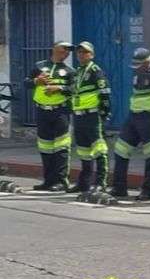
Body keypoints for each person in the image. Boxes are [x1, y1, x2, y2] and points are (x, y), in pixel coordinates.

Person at [110, 48, 150, 201]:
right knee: (121, 149)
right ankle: (119, 187)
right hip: (134, 116)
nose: (137, 67)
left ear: (148, 61)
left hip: (149, 117)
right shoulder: (138, 73)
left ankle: (149, 190)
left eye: (140, 64)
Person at [29, 41, 75, 191]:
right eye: (65, 48)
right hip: (42, 111)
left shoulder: (70, 71)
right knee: (45, 146)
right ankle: (48, 180)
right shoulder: (40, 65)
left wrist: (59, 88)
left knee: (61, 147)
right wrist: (37, 80)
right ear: (55, 48)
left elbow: (74, 89)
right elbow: (26, 82)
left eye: (69, 50)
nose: (67, 52)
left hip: (60, 112)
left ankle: (61, 181)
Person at [68, 41, 110, 195]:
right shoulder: (78, 71)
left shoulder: (95, 70)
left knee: (99, 149)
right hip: (78, 116)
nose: (81, 54)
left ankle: (101, 183)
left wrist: (104, 112)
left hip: (92, 115)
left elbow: (104, 92)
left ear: (91, 55)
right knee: (84, 151)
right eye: (79, 52)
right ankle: (84, 183)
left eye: (85, 52)